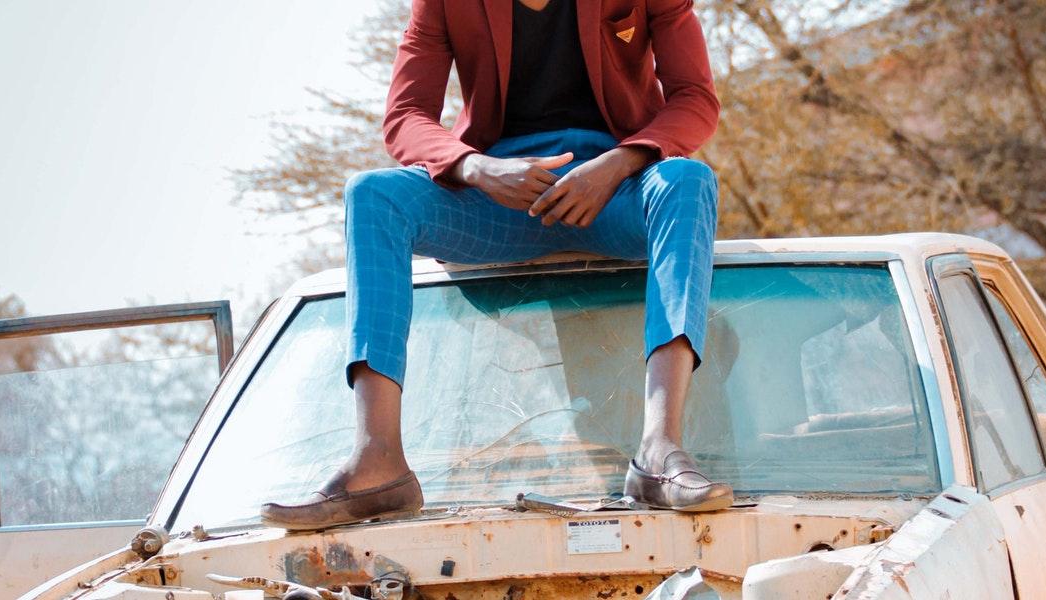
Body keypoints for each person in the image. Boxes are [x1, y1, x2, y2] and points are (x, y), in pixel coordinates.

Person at [261, 0, 726, 530]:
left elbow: (695, 99)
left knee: (688, 180)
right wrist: (475, 166)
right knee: (372, 195)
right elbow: (405, 116)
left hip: (620, 188)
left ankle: (658, 450)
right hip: (499, 198)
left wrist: (618, 163)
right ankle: (378, 461)